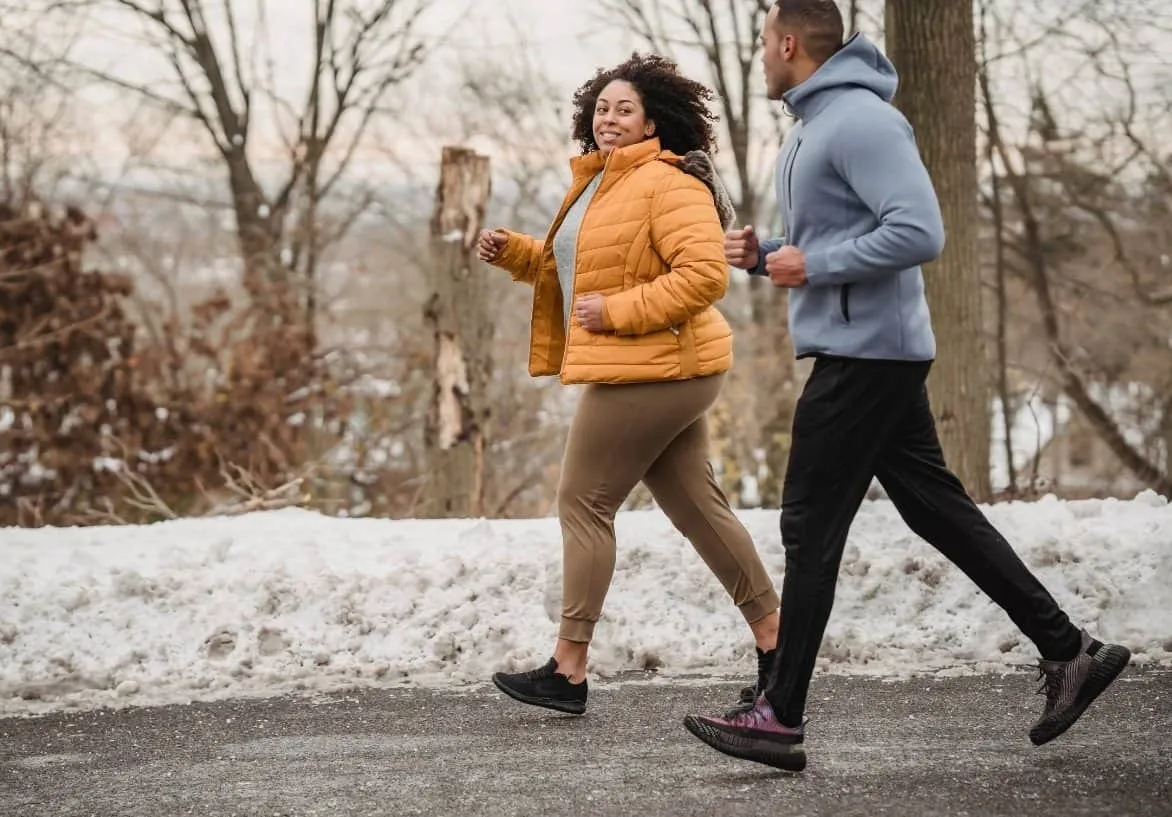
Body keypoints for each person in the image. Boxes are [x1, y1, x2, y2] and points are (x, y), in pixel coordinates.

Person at [681, 0, 1131, 772]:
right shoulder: (816, 125)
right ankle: (1070, 650)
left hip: (868, 357)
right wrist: (771, 254)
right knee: (937, 511)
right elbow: (838, 238)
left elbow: (920, 229)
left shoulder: (860, 121)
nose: (759, 56)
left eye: (763, 43)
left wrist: (812, 265)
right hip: (863, 348)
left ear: (789, 43)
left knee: (808, 526)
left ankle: (779, 714)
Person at [479, 53, 782, 716]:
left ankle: (568, 668)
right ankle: (777, 644)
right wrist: (515, 254)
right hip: (659, 367)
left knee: (583, 502)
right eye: (602, 108)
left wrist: (615, 312)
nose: (609, 119)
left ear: (654, 123)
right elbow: (578, 273)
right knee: (696, 507)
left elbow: (704, 276)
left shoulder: (668, 183)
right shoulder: (598, 185)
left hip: (653, 367)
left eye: (625, 110)